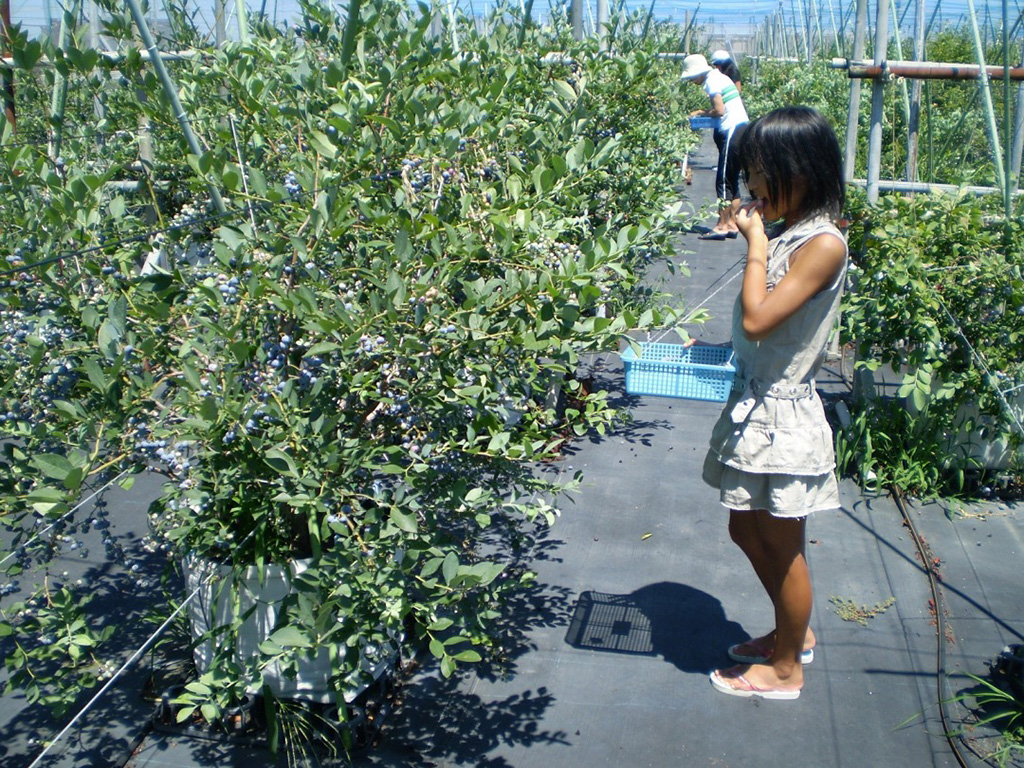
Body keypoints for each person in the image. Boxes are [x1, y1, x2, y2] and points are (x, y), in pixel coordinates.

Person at [699, 106, 848, 700]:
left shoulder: (824, 244)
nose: (752, 189)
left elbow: (759, 319)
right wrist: (760, 234)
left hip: (785, 417)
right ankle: (793, 631)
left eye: (762, 176)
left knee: (784, 547)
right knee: (744, 527)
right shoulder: (792, 231)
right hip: (755, 406)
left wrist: (757, 240)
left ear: (801, 170)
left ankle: (787, 669)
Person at [680, 54, 749, 240]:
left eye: (692, 77)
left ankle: (721, 226)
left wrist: (702, 113)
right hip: (743, 128)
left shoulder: (712, 81)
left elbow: (720, 111)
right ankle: (732, 224)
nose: (692, 81)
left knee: (723, 179)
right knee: (732, 179)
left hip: (733, 129)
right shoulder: (721, 77)